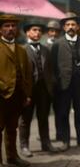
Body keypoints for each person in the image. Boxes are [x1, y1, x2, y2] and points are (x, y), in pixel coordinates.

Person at [51, 12, 80, 151]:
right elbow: (53, 66)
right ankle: (65, 141)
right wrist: (57, 83)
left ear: (78, 27)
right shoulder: (57, 44)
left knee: (79, 112)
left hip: (79, 84)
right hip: (63, 85)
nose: (70, 27)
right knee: (63, 112)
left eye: (73, 24)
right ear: (64, 27)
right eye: (68, 24)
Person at [19, 21, 59, 158]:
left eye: (39, 31)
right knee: (25, 119)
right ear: (27, 32)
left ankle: (45, 143)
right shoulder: (22, 50)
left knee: (43, 117)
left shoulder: (45, 49)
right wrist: (24, 93)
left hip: (44, 90)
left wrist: (52, 85)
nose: (37, 33)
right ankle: (24, 145)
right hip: (29, 91)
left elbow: (51, 70)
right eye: (34, 30)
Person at [0, 14, 32, 167]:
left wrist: (26, 95)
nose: (10, 29)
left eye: (13, 26)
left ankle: (12, 157)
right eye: (6, 26)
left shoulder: (21, 50)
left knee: (12, 128)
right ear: (1, 30)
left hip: (16, 97)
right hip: (1, 96)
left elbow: (26, 74)